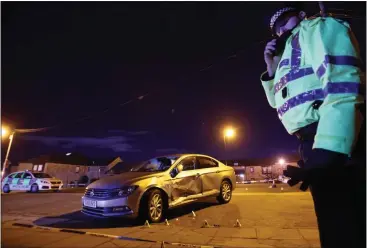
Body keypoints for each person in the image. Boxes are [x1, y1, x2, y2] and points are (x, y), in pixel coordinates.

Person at [260, 6, 366, 248]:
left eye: (286, 21)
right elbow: (279, 103)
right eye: (277, 28)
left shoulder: (316, 28)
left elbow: (343, 83)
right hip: (311, 139)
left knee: (346, 227)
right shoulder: (286, 53)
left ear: (300, 15)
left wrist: (329, 151)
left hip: (335, 134)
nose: (281, 29)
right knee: (332, 224)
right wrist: (272, 71)